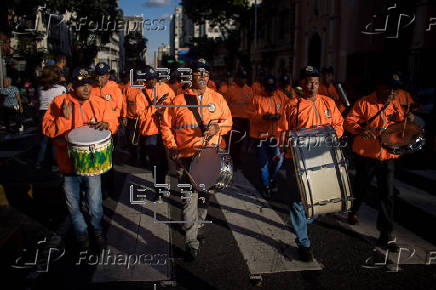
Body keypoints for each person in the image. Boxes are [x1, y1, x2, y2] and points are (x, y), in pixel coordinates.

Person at [160, 58, 232, 261]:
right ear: (190, 76)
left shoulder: (218, 98)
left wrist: (218, 127)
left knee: (205, 195)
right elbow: (166, 125)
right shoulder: (178, 100)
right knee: (188, 198)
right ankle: (191, 241)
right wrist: (172, 146)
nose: (203, 77)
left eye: (206, 73)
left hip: (210, 155)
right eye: (198, 73)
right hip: (185, 157)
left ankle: (199, 223)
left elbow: (228, 121)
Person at [42, 67, 116, 251]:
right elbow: (46, 129)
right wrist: (63, 119)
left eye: (88, 84)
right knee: (73, 205)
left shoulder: (99, 102)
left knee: (95, 204)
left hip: (92, 165)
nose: (87, 88)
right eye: (81, 85)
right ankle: (81, 234)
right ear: (72, 86)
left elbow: (112, 120)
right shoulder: (59, 102)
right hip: (68, 166)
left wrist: (108, 124)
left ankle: (97, 231)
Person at [280, 65, 344, 262]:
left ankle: (306, 219)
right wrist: (286, 147)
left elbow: (339, 125)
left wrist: (331, 137)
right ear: (301, 84)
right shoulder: (291, 105)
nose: (313, 86)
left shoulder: (328, 103)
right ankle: (304, 243)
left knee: (325, 198)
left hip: (323, 157)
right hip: (297, 160)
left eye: (316, 82)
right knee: (297, 201)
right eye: (309, 82)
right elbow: (282, 130)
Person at [344, 72, 412, 252]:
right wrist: (360, 130)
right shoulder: (365, 103)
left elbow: (400, 124)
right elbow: (349, 121)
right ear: (379, 86)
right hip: (367, 155)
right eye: (389, 87)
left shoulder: (395, 104)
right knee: (361, 187)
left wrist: (406, 121)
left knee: (387, 194)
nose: (392, 92)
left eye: (395, 89)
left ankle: (386, 234)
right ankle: (354, 210)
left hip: (388, 156)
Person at [248, 75, 286, 199]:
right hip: (261, 137)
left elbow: (288, 108)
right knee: (263, 164)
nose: (271, 92)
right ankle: (266, 186)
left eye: (273, 89)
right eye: (268, 89)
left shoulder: (280, 96)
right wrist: (263, 117)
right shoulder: (256, 98)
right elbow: (250, 115)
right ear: (263, 87)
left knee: (278, 161)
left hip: (277, 136)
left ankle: (272, 179)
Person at [135, 65, 175, 185]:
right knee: (155, 162)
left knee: (164, 161)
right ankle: (159, 187)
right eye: (149, 79)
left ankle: (161, 183)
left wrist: (165, 111)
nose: (152, 81)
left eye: (154, 79)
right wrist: (155, 106)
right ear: (145, 80)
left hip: (165, 130)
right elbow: (142, 116)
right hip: (150, 133)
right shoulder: (140, 95)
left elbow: (174, 104)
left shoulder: (164, 88)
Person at [36, 65, 66, 169]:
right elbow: (64, 102)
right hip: (54, 114)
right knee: (55, 140)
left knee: (43, 140)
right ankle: (55, 163)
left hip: (43, 113)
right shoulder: (61, 88)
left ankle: (39, 162)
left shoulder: (40, 88)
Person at [224, 69, 253, 170]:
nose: (243, 80)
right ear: (237, 78)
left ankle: (236, 158)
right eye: (241, 78)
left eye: (244, 78)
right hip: (234, 120)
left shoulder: (249, 90)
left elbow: (251, 106)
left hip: (245, 120)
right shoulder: (230, 90)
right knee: (232, 141)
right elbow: (225, 105)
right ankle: (232, 159)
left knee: (241, 141)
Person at [91, 62, 126, 146]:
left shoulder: (115, 89)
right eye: (97, 76)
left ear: (108, 76)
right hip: (94, 128)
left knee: (111, 155)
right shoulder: (90, 88)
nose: (99, 79)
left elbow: (119, 109)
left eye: (102, 77)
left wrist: (108, 122)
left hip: (111, 129)